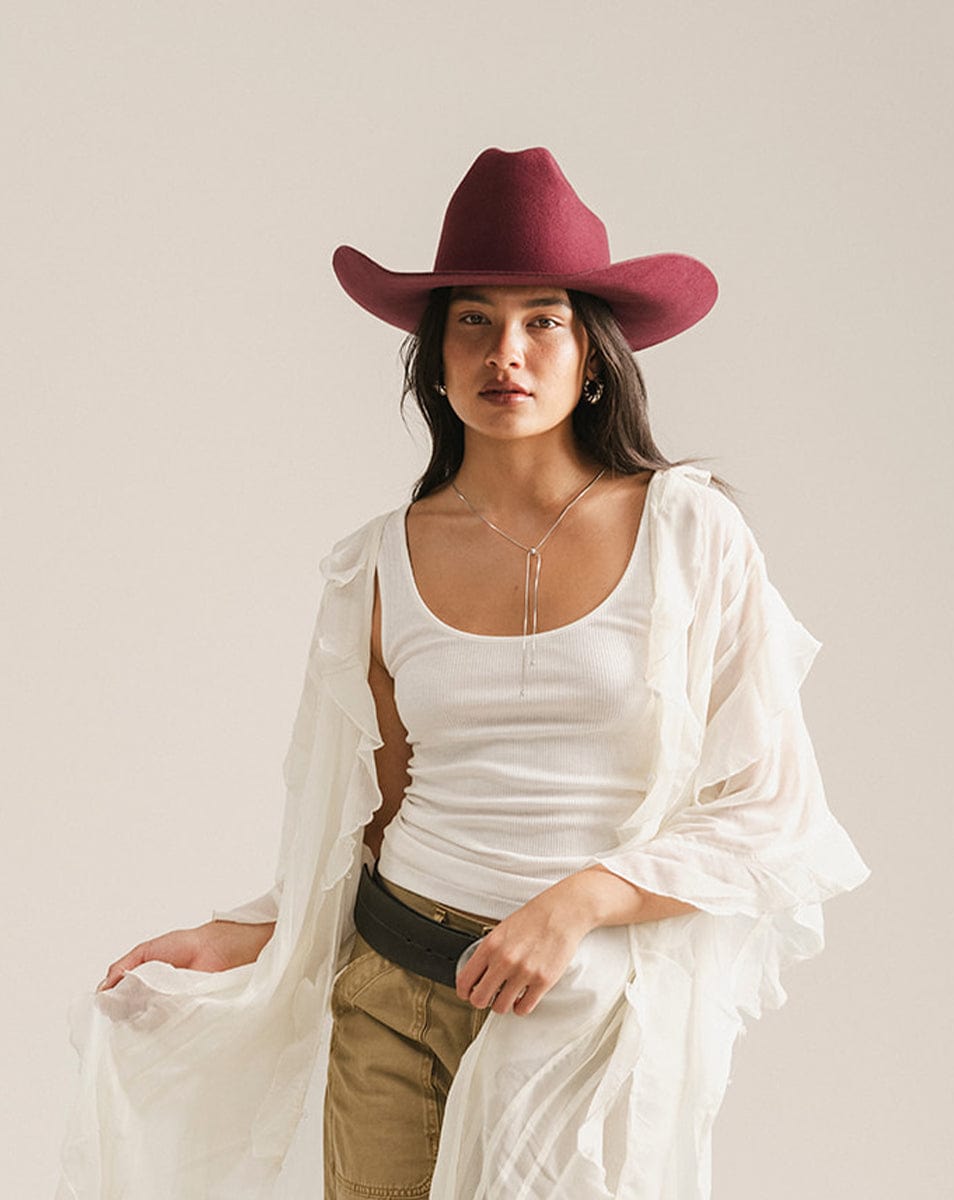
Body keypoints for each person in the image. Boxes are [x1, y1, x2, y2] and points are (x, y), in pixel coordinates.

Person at [61, 148, 871, 1200]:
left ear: (594, 355)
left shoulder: (689, 533)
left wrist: (579, 900)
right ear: (434, 359)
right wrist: (249, 928)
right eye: (473, 322)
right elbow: (371, 809)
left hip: (577, 1005)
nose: (508, 353)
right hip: (391, 990)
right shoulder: (377, 561)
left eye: (543, 320)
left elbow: (771, 811)